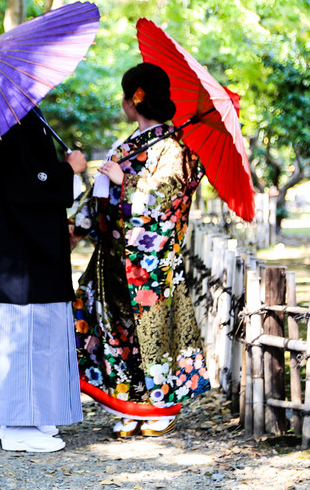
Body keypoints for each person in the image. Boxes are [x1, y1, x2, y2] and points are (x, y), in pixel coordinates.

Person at [72, 62, 210, 438]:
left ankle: (161, 406)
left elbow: (167, 201)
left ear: (135, 98)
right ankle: (128, 403)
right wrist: (78, 227)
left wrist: (126, 180)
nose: (121, 102)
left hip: (152, 262)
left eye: (124, 94)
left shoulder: (174, 148)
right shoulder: (130, 143)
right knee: (117, 332)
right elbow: (99, 196)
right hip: (114, 259)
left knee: (152, 334)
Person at [0, 108, 87, 452]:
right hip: (17, 254)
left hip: (24, 248)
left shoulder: (19, 118)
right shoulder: (8, 123)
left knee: (36, 336)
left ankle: (33, 415)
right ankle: (17, 423)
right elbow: (26, 185)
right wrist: (70, 169)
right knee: (20, 336)